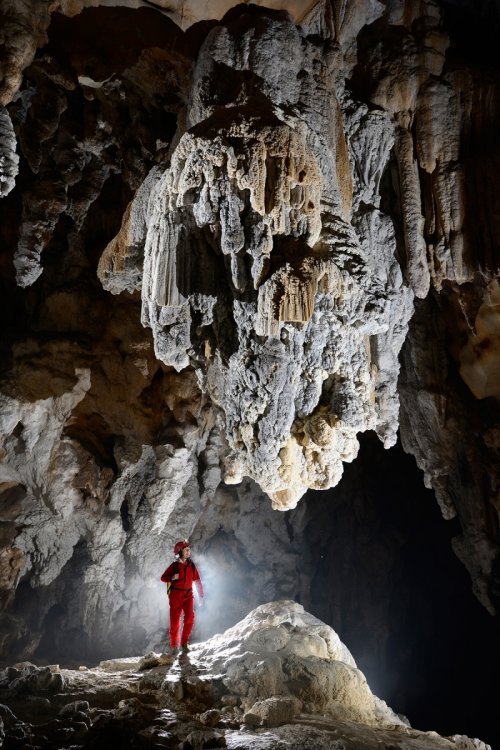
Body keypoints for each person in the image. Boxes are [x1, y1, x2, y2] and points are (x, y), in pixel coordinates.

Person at [160, 539, 204, 654]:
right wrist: (172, 578)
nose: (189, 552)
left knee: (190, 618)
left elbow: (197, 580)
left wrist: (201, 596)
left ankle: (184, 643)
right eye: (186, 550)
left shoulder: (191, 566)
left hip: (188, 595)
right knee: (175, 622)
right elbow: (163, 578)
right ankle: (175, 646)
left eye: (189, 550)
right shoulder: (174, 566)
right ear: (179, 552)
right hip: (176, 595)